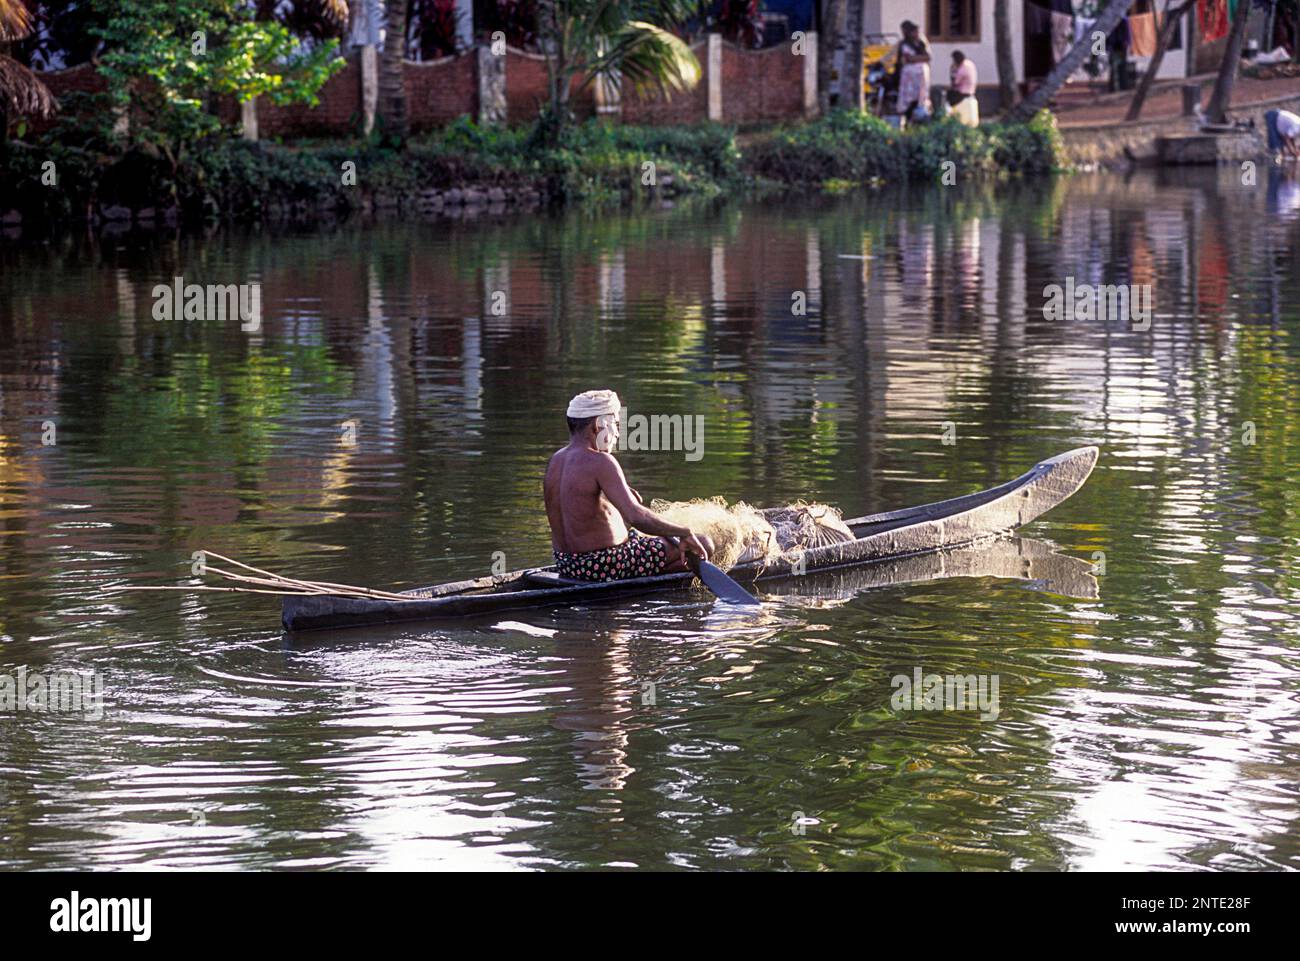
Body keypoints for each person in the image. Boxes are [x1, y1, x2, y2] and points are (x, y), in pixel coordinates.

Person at [544, 389, 713, 582]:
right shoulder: (601, 461)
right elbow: (635, 517)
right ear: (598, 426)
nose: (617, 433)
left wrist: (609, 496)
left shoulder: (556, 460)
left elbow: (576, 503)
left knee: (658, 540)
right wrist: (684, 532)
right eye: (615, 424)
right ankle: (647, 580)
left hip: (566, 563)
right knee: (703, 543)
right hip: (603, 565)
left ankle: (647, 570)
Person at [896, 20, 931, 121]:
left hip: (921, 76)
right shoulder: (903, 44)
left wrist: (913, 58)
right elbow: (903, 58)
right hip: (909, 77)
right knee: (909, 99)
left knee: (920, 97)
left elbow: (927, 57)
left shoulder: (921, 43)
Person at [947, 50, 979, 127]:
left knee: (947, 98)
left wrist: (952, 70)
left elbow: (955, 83)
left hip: (962, 93)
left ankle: (949, 117)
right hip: (971, 91)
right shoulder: (969, 64)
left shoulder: (961, 70)